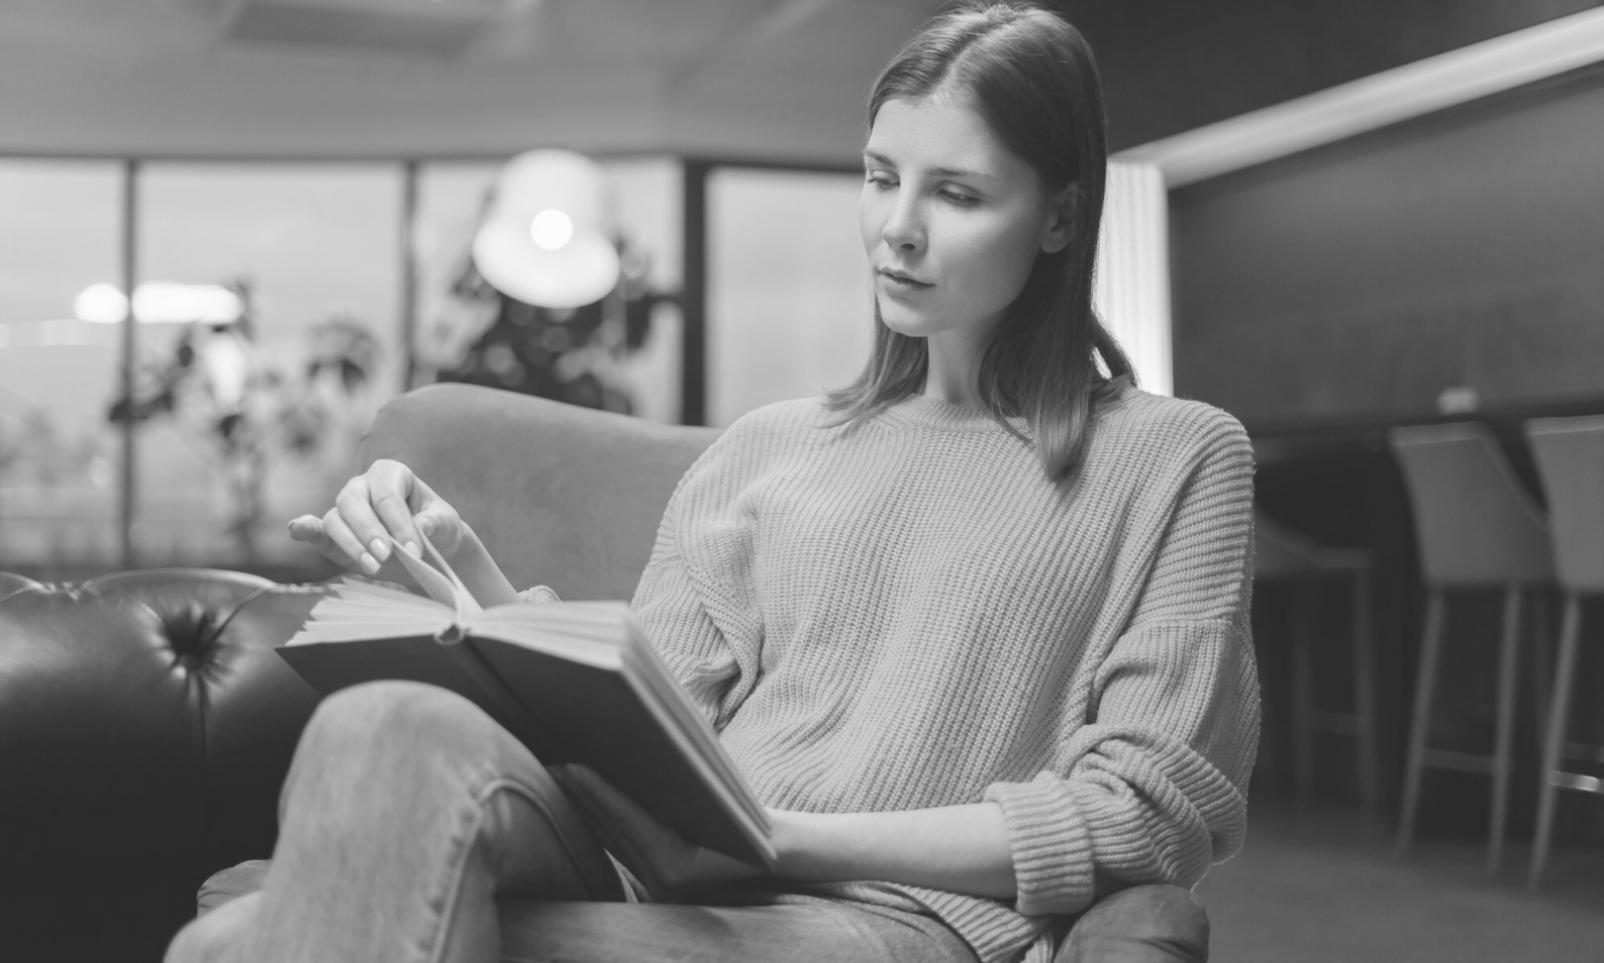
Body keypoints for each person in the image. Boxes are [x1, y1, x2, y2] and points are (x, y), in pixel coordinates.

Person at [164, 2, 1259, 962]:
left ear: (1060, 216)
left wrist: (776, 831)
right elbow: (649, 731)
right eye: (879, 178)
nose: (896, 229)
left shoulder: (1173, 457)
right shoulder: (767, 447)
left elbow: (1142, 815)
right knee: (386, 724)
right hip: (658, 876)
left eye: (957, 193)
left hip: (888, 919)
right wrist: (477, 591)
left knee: (232, 945)